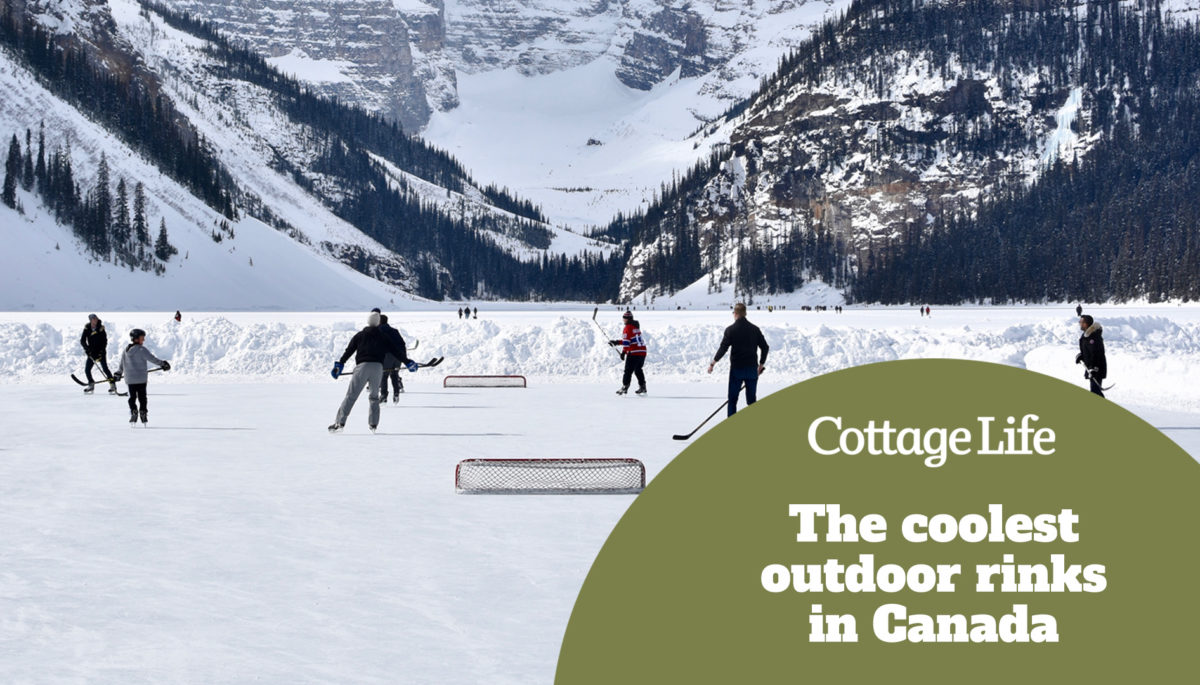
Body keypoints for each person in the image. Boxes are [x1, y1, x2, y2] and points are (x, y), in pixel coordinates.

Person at [329, 311, 415, 433]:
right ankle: (373, 425)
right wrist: (407, 362)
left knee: (351, 396)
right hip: (378, 368)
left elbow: (349, 351)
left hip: (362, 367)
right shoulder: (384, 337)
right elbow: (395, 351)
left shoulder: (359, 335)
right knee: (374, 397)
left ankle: (339, 423)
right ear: (378, 322)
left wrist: (340, 365)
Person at [708, 303, 769, 416]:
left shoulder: (730, 330)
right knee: (751, 401)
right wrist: (761, 364)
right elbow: (765, 347)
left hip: (737, 370)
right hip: (752, 370)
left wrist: (713, 363)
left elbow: (723, 348)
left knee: (732, 400)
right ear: (745, 313)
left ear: (735, 314)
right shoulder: (755, 329)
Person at [113, 328, 170, 425]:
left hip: (130, 380)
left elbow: (121, 364)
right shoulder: (142, 350)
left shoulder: (125, 350)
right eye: (142, 338)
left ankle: (133, 411)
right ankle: (143, 411)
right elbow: (152, 359)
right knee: (142, 398)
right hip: (141, 379)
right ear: (135, 339)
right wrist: (163, 364)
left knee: (132, 398)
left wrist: (118, 373)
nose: (143, 340)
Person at [609, 310, 647, 395]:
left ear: (627, 319)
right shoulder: (635, 327)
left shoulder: (627, 327)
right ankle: (643, 387)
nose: (623, 320)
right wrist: (617, 342)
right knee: (638, 370)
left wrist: (623, 353)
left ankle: (625, 387)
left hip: (634, 353)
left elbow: (626, 343)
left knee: (628, 371)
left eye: (624, 318)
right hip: (642, 352)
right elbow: (630, 340)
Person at [79, 313, 116, 394]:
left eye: (96, 318)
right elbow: (82, 341)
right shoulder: (87, 328)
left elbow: (105, 341)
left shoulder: (101, 328)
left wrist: (101, 351)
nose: (95, 320)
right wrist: (87, 349)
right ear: (91, 320)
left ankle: (112, 385)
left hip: (101, 352)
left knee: (105, 369)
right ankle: (91, 384)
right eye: (93, 319)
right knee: (87, 370)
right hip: (91, 352)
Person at [375, 309, 407, 402]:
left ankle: (384, 396)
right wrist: (404, 358)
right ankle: (396, 394)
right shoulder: (395, 331)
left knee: (384, 375)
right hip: (398, 356)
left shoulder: (379, 331)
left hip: (387, 357)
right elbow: (402, 343)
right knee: (394, 375)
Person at [1075, 314, 1107, 398]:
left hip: (1096, 368)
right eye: (1080, 322)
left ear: (1086, 323)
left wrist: (1094, 368)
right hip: (1091, 368)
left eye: (1081, 322)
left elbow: (1097, 353)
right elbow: (1088, 351)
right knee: (1095, 391)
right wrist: (1081, 356)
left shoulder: (1094, 337)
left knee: (1095, 392)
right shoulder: (1086, 335)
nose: (1080, 324)